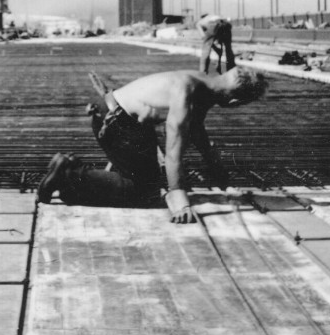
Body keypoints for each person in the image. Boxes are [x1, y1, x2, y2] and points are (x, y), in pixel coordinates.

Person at [38, 66, 267, 224]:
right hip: (115, 122)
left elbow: (197, 132)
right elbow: (173, 151)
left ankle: (73, 176)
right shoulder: (187, 91)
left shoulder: (201, 81)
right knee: (144, 192)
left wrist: (221, 177)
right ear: (235, 102)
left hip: (122, 119)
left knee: (144, 179)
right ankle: (69, 174)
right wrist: (179, 197)